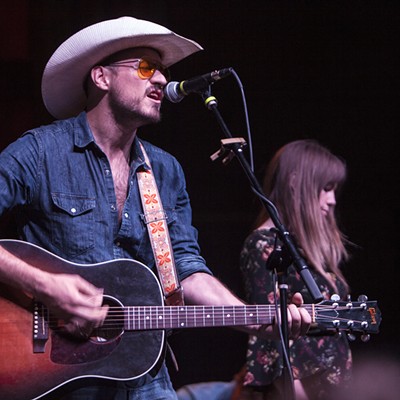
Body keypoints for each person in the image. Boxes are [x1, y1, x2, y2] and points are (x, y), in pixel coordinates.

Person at [0, 16, 311, 400]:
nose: (162, 80)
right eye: (146, 67)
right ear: (101, 77)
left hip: (144, 375)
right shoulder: (39, 153)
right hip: (54, 375)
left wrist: (255, 320)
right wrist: (46, 286)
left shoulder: (164, 170)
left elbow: (185, 266)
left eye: (162, 70)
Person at [239, 139, 353, 400]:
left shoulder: (306, 248)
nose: (332, 200)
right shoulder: (262, 244)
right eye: (326, 188)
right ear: (294, 181)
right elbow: (268, 332)